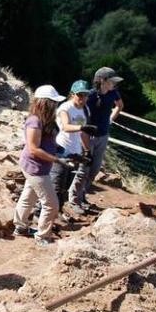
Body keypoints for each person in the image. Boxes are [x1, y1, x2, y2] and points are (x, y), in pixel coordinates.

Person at [13, 85, 74, 246]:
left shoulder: (46, 120)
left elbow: (49, 142)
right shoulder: (34, 121)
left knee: (28, 197)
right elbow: (33, 148)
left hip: (38, 167)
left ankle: (20, 227)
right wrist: (57, 160)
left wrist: (63, 152)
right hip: (35, 168)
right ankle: (43, 236)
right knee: (51, 204)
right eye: (53, 102)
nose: (55, 105)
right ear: (44, 103)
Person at [51, 80, 97, 216]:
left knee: (65, 186)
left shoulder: (85, 109)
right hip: (61, 149)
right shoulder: (65, 108)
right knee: (56, 184)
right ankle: (47, 214)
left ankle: (56, 213)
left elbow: (83, 133)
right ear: (72, 94)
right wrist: (82, 127)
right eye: (80, 95)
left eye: (85, 95)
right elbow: (65, 126)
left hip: (75, 151)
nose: (83, 98)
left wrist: (88, 151)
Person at [84, 67, 124, 202]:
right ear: (102, 81)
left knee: (95, 168)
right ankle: (76, 197)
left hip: (103, 134)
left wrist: (110, 120)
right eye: (112, 81)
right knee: (84, 167)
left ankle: (84, 192)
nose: (114, 84)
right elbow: (79, 110)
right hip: (88, 135)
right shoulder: (90, 95)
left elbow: (119, 105)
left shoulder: (113, 93)